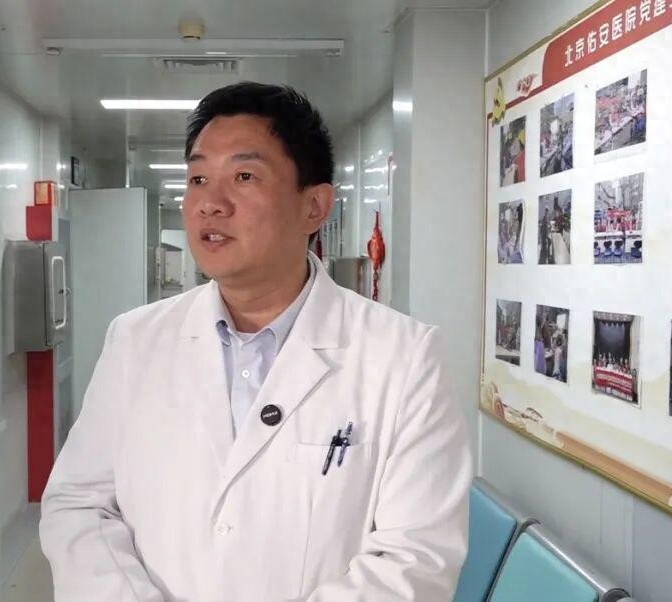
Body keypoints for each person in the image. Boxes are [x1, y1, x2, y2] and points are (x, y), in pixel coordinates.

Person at [38, 82, 473, 601]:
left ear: (315, 206)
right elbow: (80, 505)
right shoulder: (134, 340)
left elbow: (416, 560)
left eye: (244, 176)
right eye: (198, 178)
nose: (210, 203)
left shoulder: (403, 357)